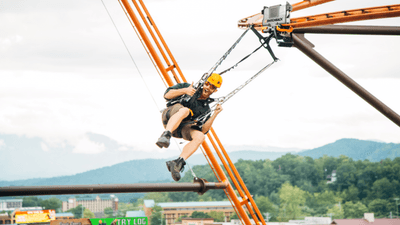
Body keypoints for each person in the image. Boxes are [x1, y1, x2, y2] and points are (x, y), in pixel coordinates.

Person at [156, 73, 223, 181]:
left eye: (212, 87)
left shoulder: (205, 109)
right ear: (204, 83)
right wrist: (185, 91)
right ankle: (165, 135)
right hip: (170, 117)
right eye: (207, 84)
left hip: (180, 129)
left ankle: (178, 162)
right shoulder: (188, 87)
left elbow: (204, 130)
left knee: (200, 136)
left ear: (215, 90)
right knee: (185, 110)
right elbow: (167, 95)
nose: (208, 88)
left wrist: (215, 114)